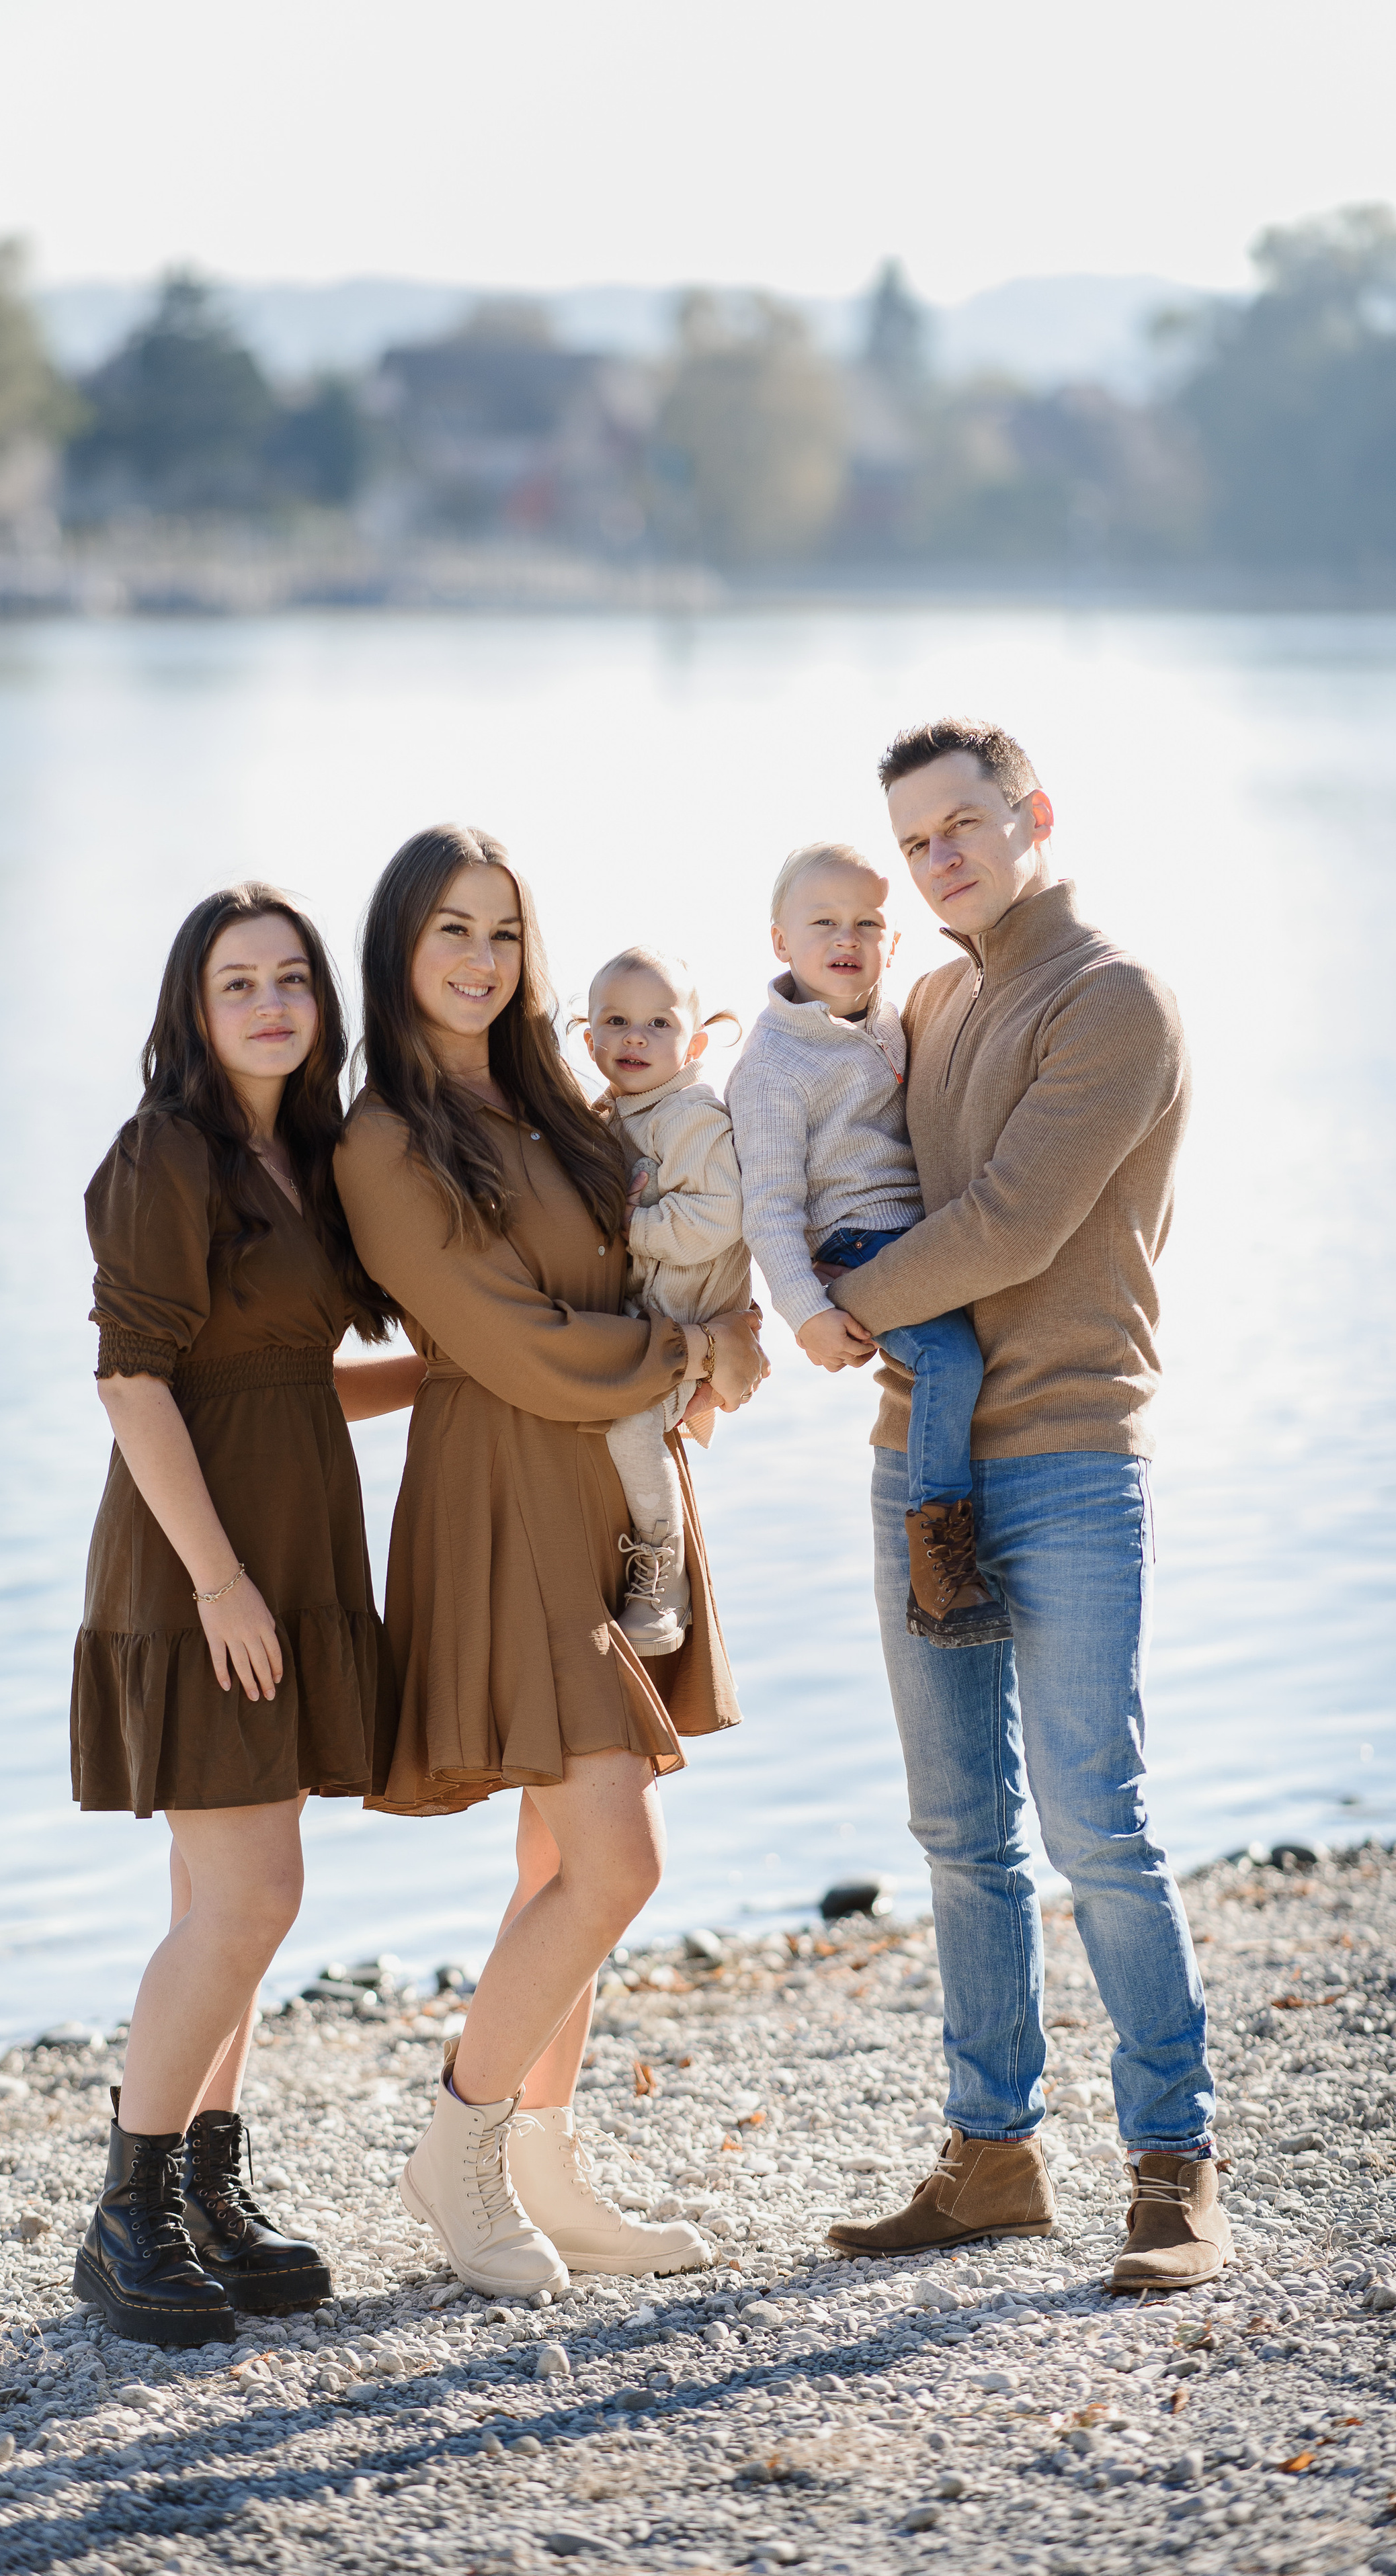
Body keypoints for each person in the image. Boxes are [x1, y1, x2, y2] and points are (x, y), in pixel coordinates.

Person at [805, 720, 1228, 2293]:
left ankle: (1172, 2165)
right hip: (917, 1455)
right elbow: (845, 1159)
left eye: (963, 825)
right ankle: (989, 2156)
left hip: (1061, 1451)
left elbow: (1005, 1223)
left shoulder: (1111, 996)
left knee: (1093, 1821)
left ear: (1029, 815)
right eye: (913, 842)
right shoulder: (921, 995)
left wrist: (837, 1307)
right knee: (956, 1834)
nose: (941, 860)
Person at [334, 824, 766, 2297]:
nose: (477, 959)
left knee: (553, 1850)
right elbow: (505, 1338)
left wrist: (733, 1328)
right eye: (450, 931)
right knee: (612, 1862)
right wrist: (688, 1349)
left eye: (503, 934)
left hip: (605, 1484)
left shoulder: (562, 1102)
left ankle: (544, 2169)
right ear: (399, 949)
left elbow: (664, 1255)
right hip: (504, 1488)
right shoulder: (382, 1139)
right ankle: (450, 2153)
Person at [70, 884, 423, 2346]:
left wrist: (455, 1379)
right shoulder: (167, 1153)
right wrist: (218, 1583)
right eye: (238, 983)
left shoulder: (306, 1159)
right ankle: (124, 2211)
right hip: (198, 1567)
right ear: (192, 1010)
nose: (271, 1002)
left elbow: (284, 1378)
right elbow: (134, 1381)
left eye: (292, 979)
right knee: (252, 1898)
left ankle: (209, 2186)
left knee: (225, 1906)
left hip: (291, 1548)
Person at [727, 842, 1008, 1647]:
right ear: (780, 941)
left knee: (980, 1341)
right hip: (856, 1245)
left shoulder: (890, 1018)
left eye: (867, 922)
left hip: (920, 1236)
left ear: (894, 942)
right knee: (948, 1362)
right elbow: (770, 1210)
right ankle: (941, 1572)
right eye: (823, 923)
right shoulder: (774, 1066)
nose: (846, 939)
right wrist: (805, 1313)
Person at [581, 945, 751, 1657]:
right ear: (589, 1041)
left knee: (628, 1429)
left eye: (658, 1024)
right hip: (643, 1329)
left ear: (695, 1044)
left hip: (686, 1330)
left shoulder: (691, 1119)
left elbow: (718, 1218)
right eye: (616, 1023)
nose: (635, 1039)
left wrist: (630, 1226)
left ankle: (661, 1574)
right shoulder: (611, 1118)